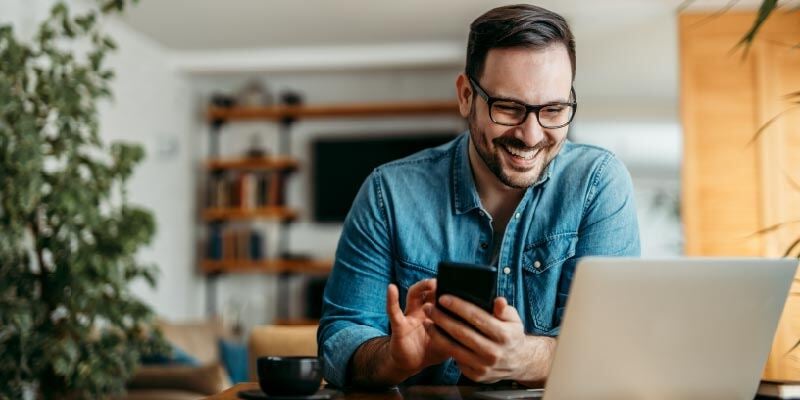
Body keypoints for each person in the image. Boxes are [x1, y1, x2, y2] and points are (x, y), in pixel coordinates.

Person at [317, 3, 640, 389]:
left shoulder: (598, 184)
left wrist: (523, 358)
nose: (532, 135)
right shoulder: (388, 193)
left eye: (553, 110)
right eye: (509, 108)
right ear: (466, 96)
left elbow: (614, 349)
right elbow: (338, 343)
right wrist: (394, 358)